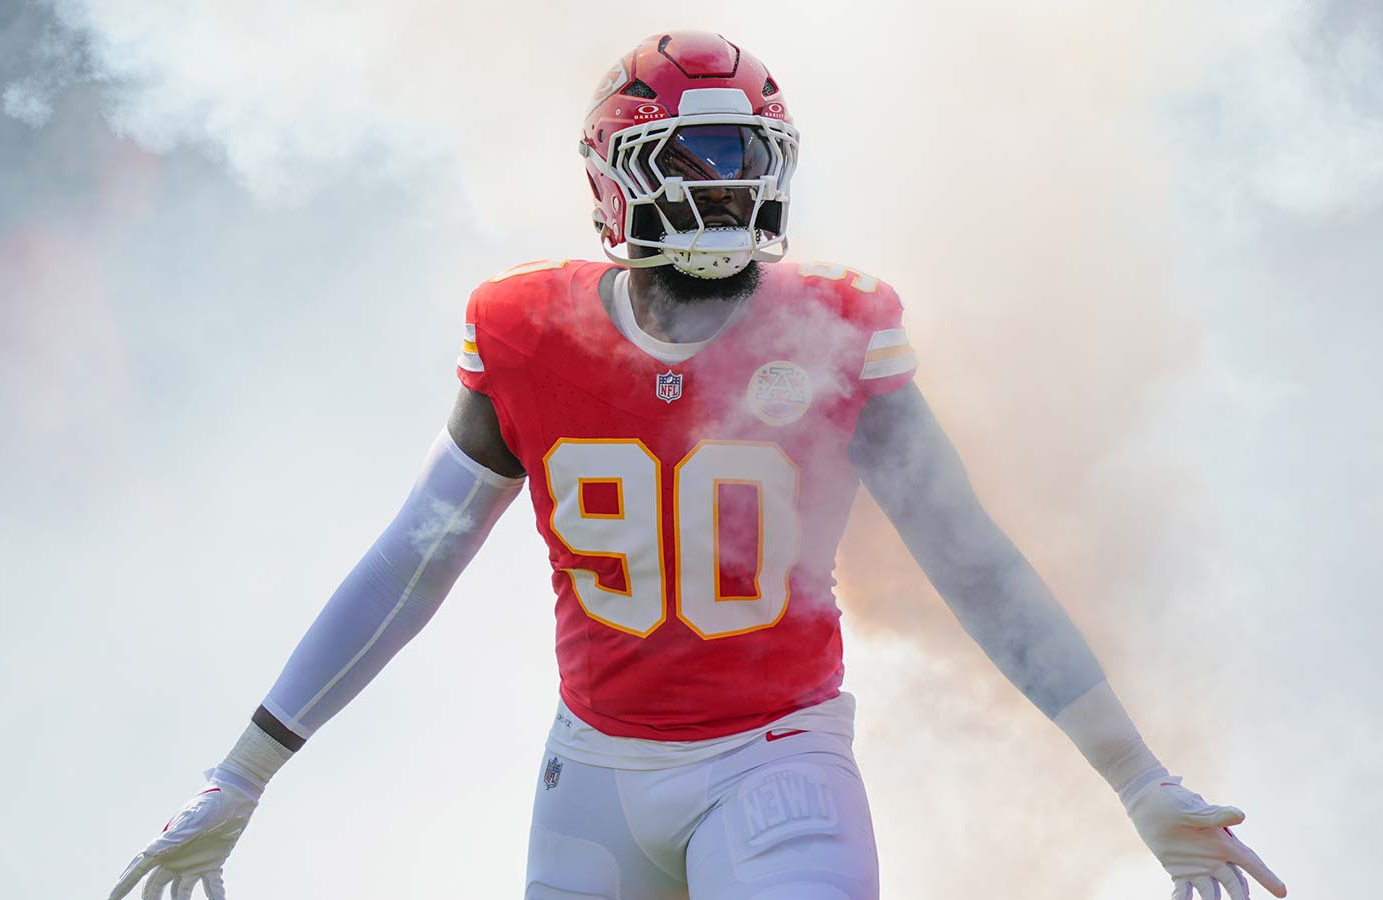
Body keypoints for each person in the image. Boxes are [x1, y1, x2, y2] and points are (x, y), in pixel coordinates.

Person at [107, 31, 1287, 900]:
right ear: (616, 175)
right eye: (700, 152)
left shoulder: (835, 329)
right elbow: (410, 568)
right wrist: (242, 774)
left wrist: (1137, 779)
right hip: (592, 779)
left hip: (777, 767)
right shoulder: (526, 332)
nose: (730, 183)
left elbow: (975, 566)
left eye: (749, 154)